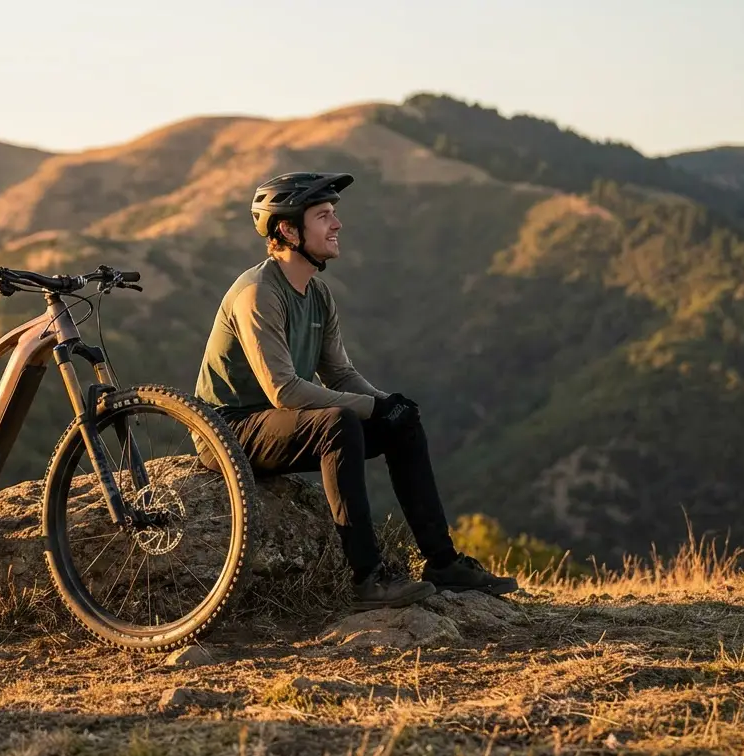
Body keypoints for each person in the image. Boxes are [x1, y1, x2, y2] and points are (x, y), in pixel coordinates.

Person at [194, 171, 519, 609]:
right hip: (228, 431)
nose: (337, 224)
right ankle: (368, 577)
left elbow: (340, 375)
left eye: (334, 214)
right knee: (339, 423)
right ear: (288, 229)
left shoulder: (318, 294)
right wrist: (369, 407)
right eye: (323, 215)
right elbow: (285, 392)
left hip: (284, 424)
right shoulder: (258, 293)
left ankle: (443, 563)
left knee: (402, 422)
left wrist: (388, 405)